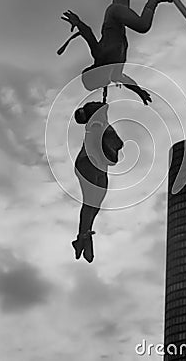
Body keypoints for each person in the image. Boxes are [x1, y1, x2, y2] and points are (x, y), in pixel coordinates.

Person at [61, 0, 171, 105]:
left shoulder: (99, 55)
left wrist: (77, 22)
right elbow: (127, 81)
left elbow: (88, 34)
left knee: (143, 26)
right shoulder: (115, 73)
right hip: (118, 19)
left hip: (113, 16)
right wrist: (139, 91)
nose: (104, 83)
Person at [72, 101, 124, 262]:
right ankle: (83, 235)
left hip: (99, 166)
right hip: (89, 161)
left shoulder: (102, 122)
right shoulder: (96, 123)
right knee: (90, 202)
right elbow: (107, 141)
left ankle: (85, 235)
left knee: (95, 204)